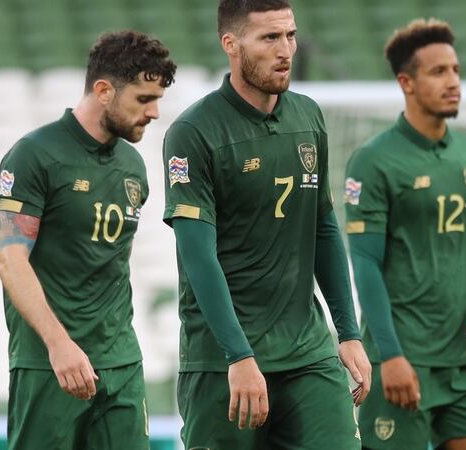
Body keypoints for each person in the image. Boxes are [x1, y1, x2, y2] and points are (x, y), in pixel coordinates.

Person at [162, 1, 371, 449]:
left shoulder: (308, 116)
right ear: (231, 45)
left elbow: (323, 226)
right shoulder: (193, 132)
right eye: (270, 38)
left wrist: (348, 332)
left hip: (307, 352)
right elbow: (197, 256)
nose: (286, 50)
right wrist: (238, 355)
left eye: (290, 35)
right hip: (225, 361)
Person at [0, 30, 175, 450]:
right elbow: (10, 260)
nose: (154, 112)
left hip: (121, 362)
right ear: (104, 90)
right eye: (144, 99)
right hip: (49, 363)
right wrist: (59, 345)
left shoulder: (132, 166)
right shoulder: (34, 155)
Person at [344, 19, 466, 450]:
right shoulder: (374, 161)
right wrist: (391, 356)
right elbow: (364, 263)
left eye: (455, 70)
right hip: (402, 358)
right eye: (438, 72)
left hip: (465, 362)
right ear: (407, 83)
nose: (453, 82)